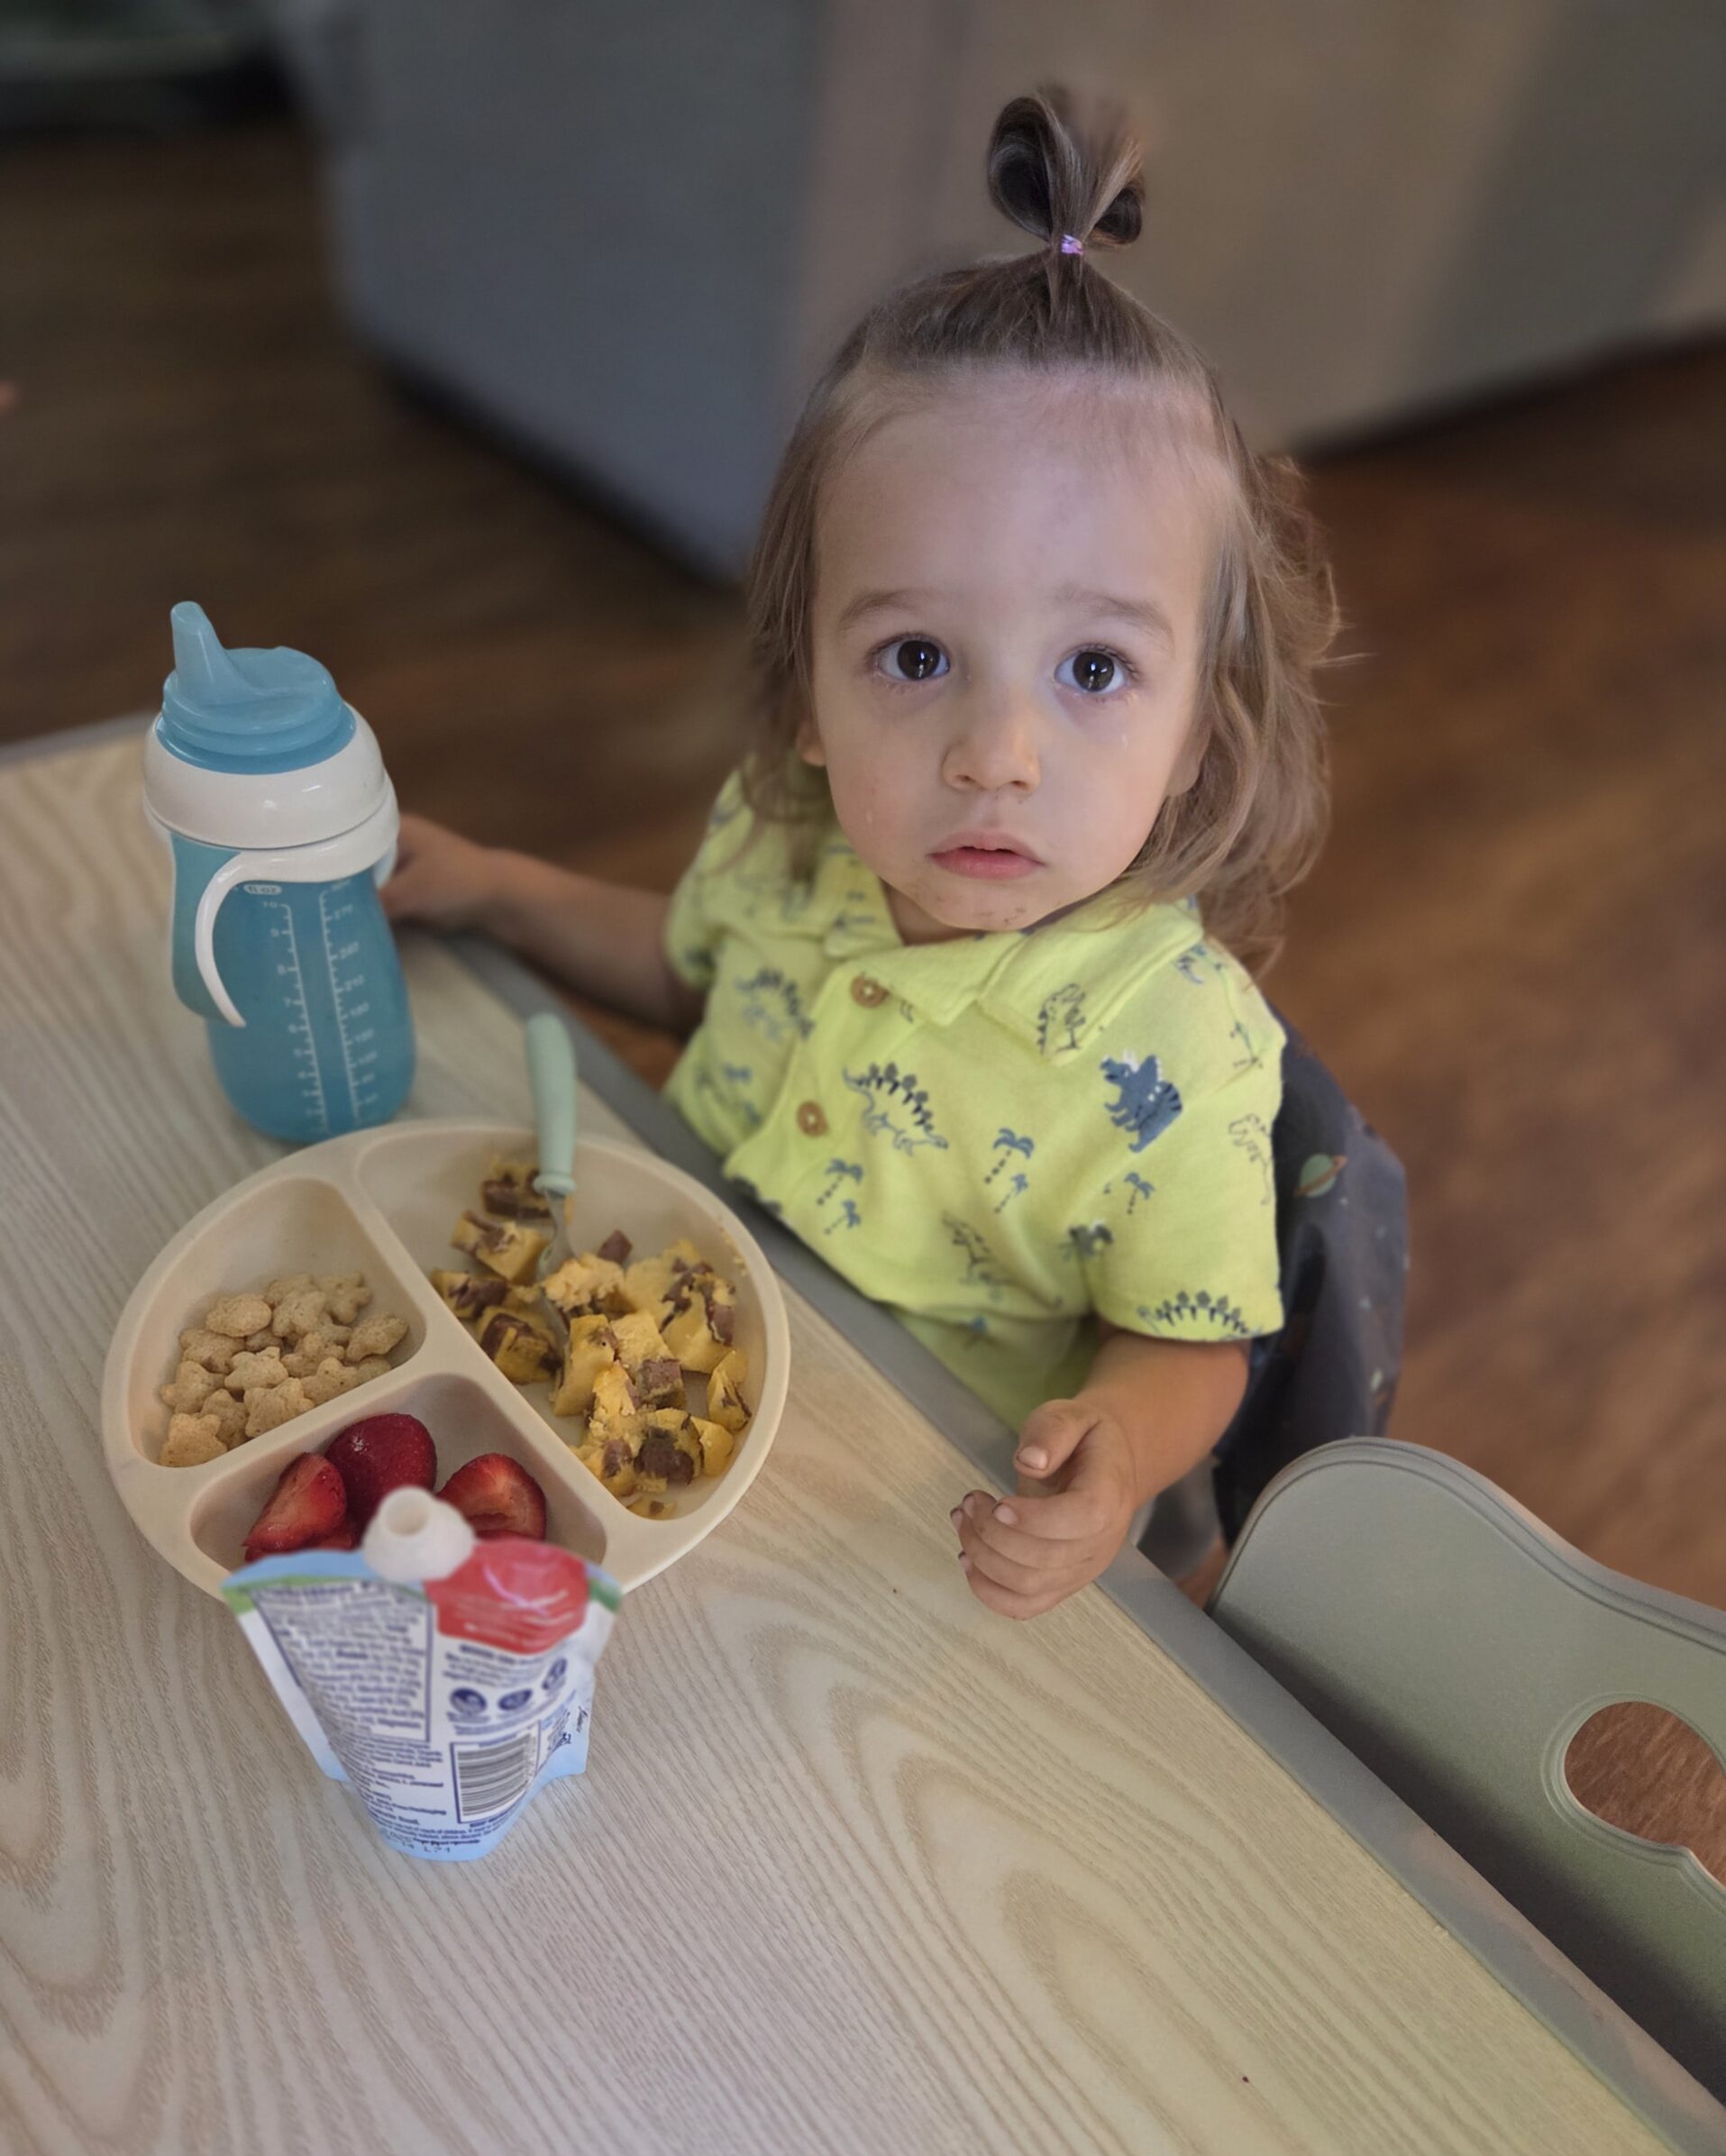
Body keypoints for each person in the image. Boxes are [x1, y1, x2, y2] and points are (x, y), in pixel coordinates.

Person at [384, 87, 1338, 1618]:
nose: (995, 752)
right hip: (648, 1390)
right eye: (915, 657)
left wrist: (1115, 1454)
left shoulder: (1184, 1051)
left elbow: (1192, 1340)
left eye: (1094, 669)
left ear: (1199, 740)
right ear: (808, 696)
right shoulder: (790, 842)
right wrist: (500, 888)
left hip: (901, 1520)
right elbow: (691, 973)